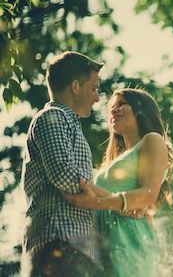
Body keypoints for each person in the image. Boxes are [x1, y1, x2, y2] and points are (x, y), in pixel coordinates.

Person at [64, 88, 173, 277]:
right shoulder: (113, 161)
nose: (114, 110)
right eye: (112, 108)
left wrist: (95, 202)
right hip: (103, 243)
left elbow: (148, 195)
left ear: (141, 110)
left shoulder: (152, 140)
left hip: (129, 240)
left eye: (121, 104)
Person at [21, 51, 103, 277]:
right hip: (59, 246)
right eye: (94, 88)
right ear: (75, 86)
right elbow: (66, 177)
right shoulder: (52, 117)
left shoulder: (70, 125)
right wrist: (112, 201)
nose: (97, 98)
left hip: (76, 251)